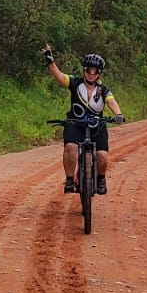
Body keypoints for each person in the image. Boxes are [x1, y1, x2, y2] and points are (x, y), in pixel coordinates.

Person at [44, 44, 124, 194]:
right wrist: (50, 61)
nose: (91, 74)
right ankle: (69, 180)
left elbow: (111, 101)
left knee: (102, 155)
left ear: (99, 73)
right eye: (88, 70)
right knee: (70, 148)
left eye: (95, 71)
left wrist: (118, 114)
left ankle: (101, 178)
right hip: (75, 123)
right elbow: (60, 77)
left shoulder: (103, 90)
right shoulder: (75, 83)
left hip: (97, 125)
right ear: (84, 70)